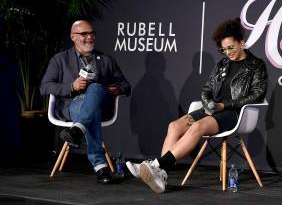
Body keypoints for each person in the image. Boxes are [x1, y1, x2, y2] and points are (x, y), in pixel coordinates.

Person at [127, 18, 268, 193]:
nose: (227, 52)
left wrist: (225, 105)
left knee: (198, 127)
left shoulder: (256, 65)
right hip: (213, 110)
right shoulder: (222, 64)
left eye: (231, 47)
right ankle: (162, 173)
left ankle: (156, 165)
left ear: (242, 43)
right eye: (223, 49)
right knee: (174, 126)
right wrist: (207, 102)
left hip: (233, 113)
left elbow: (257, 94)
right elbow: (206, 89)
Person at [40, 20, 131, 184]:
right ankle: (100, 165)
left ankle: (78, 129)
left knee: (96, 88)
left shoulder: (105, 59)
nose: (90, 37)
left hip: (101, 104)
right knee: (90, 112)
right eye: (84, 34)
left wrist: (116, 89)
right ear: (73, 36)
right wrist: (71, 86)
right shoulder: (60, 59)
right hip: (71, 104)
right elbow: (45, 87)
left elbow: (126, 85)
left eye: (92, 33)